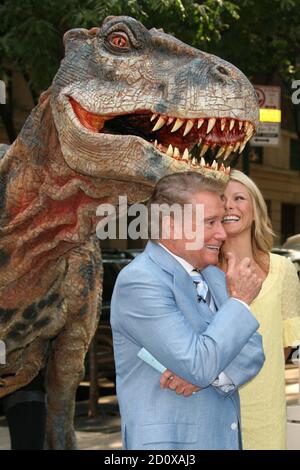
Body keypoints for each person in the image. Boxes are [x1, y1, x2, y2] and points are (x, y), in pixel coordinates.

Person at [111, 171, 265, 450]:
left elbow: (253, 351)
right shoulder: (140, 280)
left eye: (220, 221)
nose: (222, 232)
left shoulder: (215, 277)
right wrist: (240, 301)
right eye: (210, 222)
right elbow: (197, 363)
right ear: (171, 226)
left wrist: (207, 377)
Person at [219, 169, 300, 450]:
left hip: (266, 403)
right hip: (214, 402)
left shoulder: (283, 269)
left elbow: (288, 345)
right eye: (221, 198)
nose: (229, 205)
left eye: (239, 198)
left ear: (255, 210)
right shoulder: (203, 271)